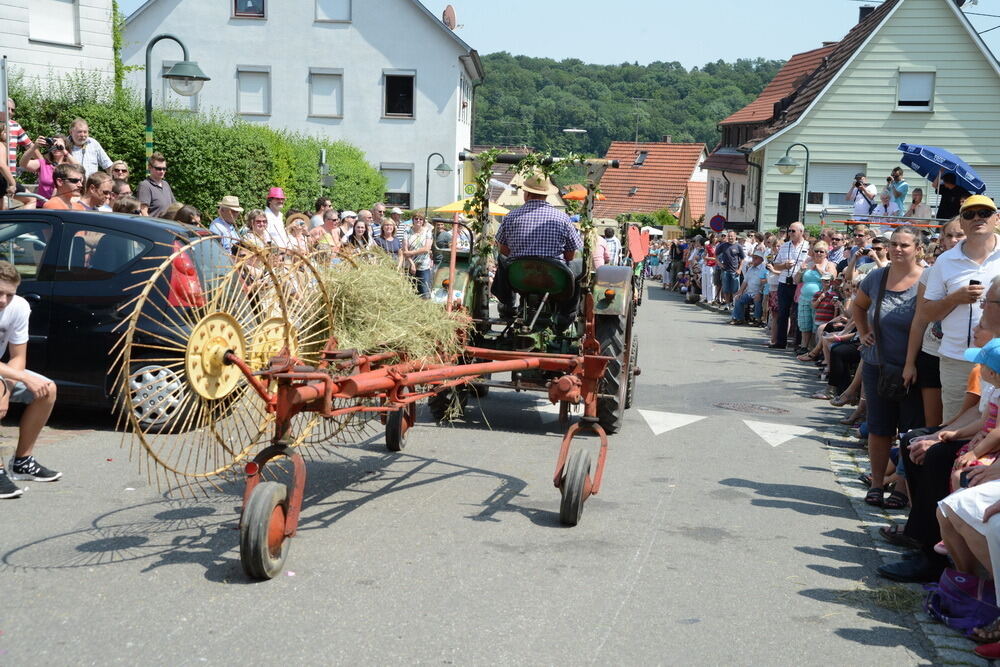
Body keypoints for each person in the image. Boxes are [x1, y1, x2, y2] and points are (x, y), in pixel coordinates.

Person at [854, 226, 924, 507]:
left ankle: (903, 489)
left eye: (905, 245)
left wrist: (912, 363)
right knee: (879, 428)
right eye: (894, 244)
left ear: (918, 248)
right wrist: (862, 331)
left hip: (915, 368)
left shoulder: (926, 280)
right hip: (877, 364)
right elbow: (858, 306)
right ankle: (876, 482)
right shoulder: (877, 276)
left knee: (909, 431)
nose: (897, 249)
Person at [921, 195, 1000, 419]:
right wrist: (953, 299)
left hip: (999, 359)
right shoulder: (945, 261)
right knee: (953, 426)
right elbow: (926, 312)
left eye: (984, 213)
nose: (977, 218)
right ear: (962, 222)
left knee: (993, 432)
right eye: (969, 214)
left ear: (997, 218)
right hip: (957, 360)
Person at [0, 261, 60, 498]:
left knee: (47, 389)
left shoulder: (20, 307)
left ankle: (22, 461)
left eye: (9, 295)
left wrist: (6, 388)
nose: (3, 301)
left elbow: (18, 357)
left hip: (4, 372)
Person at [492, 169, 582, 317]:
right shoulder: (563, 218)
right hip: (554, 277)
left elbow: (504, 250)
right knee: (579, 264)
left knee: (502, 260)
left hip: (518, 277)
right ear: (546, 195)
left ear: (526, 193)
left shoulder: (511, 216)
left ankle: (507, 303)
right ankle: (567, 312)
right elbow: (570, 255)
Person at [904, 217, 966, 429]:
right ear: (942, 240)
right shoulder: (930, 272)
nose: (954, 240)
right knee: (934, 423)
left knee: (958, 421)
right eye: (949, 235)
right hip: (932, 352)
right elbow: (920, 320)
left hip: (962, 356)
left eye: (959, 234)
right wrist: (910, 362)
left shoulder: (978, 271)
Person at [769, 222, 811, 349]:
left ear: (801, 232)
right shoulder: (785, 246)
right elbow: (776, 265)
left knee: (798, 314)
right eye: (790, 231)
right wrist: (785, 266)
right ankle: (781, 342)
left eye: (793, 231)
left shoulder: (808, 246)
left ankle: (798, 343)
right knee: (783, 313)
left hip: (799, 284)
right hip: (784, 282)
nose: (790, 233)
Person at [18, 135, 77, 200]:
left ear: (66, 147)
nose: (55, 147)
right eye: (53, 145)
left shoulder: (69, 166)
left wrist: (64, 151)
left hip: (63, 205)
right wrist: (34, 147)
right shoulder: (44, 163)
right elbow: (23, 163)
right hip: (43, 206)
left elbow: (79, 169)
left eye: (58, 145)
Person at [730, 249, 768, 325]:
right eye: (753, 258)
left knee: (757, 299)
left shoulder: (764, 269)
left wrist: (760, 293)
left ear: (761, 259)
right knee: (738, 298)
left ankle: (757, 319)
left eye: (756, 258)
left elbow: (765, 283)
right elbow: (745, 282)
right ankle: (739, 318)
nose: (753, 260)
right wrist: (740, 292)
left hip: (759, 293)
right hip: (749, 293)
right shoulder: (750, 269)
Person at [402, 213, 434, 297]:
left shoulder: (427, 231)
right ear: (413, 220)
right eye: (416, 219)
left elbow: (426, 248)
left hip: (423, 265)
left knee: (424, 292)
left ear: (423, 221)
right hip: (409, 264)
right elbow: (405, 250)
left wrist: (411, 252)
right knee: (410, 291)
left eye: (421, 219)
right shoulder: (407, 231)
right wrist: (412, 264)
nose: (418, 221)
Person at [136, 152, 176, 217]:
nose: (162, 171)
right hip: (154, 225)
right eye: (158, 169)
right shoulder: (145, 185)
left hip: (168, 225)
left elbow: (175, 206)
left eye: (164, 169)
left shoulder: (165, 184)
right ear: (149, 167)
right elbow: (143, 211)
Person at [716, 230, 745, 308]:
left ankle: (735, 305)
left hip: (735, 271)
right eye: (729, 236)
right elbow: (716, 255)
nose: (730, 237)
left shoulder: (738, 246)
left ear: (735, 237)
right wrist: (720, 264)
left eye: (732, 236)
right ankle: (727, 304)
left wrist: (739, 269)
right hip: (725, 271)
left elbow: (742, 259)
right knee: (726, 289)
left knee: (735, 289)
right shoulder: (723, 245)